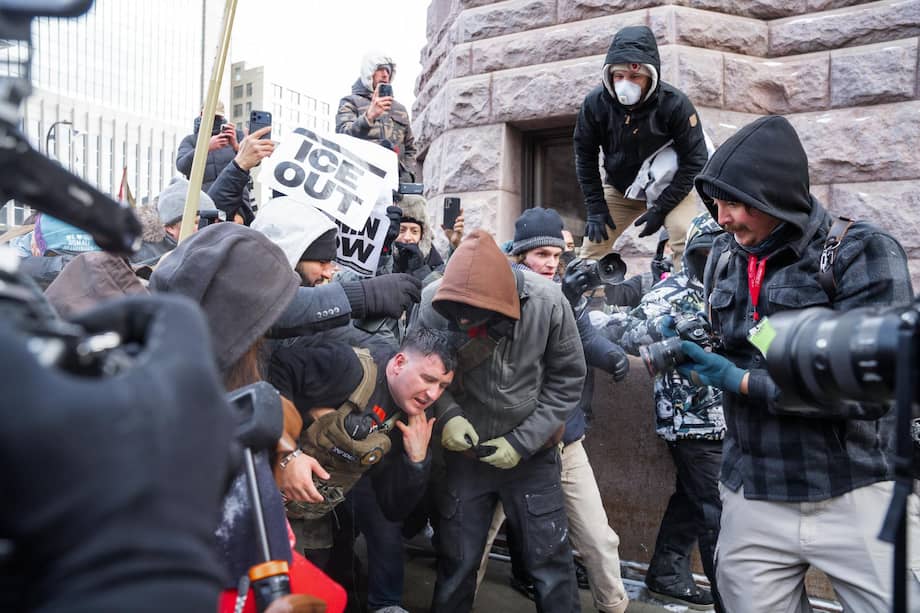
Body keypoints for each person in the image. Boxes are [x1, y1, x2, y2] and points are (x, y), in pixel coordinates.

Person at [683, 114, 918, 612]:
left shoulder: (863, 253)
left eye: (734, 202)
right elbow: (743, 341)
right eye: (716, 203)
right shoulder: (725, 258)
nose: (722, 218)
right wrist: (691, 348)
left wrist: (744, 381)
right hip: (753, 492)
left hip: (855, 489)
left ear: (777, 196)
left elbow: (869, 389)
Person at [416, 229, 587, 613]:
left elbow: (568, 379)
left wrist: (523, 441)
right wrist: (449, 416)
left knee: (551, 564)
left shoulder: (547, 301)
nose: (467, 323)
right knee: (457, 561)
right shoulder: (433, 302)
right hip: (465, 456)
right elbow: (416, 370)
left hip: (532, 456)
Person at [476, 208, 631, 613]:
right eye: (542, 254)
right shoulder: (501, 295)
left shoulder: (565, 295)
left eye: (557, 256)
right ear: (521, 256)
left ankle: (614, 606)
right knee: (474, 543)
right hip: (505, 437)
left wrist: (614, 355)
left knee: (600, 540)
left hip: (563, 439)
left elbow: (585, 340)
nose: (551, 264)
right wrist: (564, 296)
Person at [268, 327, 453, 613]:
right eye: (428, 379)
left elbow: (392, 510)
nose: (432, 394)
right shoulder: (349, 367)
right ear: (400, 363)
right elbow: (276, 366)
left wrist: (416, 462)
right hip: (260, 489)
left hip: (313, 510)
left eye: (442, 386)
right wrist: (287, 453)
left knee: (318, 582)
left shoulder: (411, 418)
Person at [601, 212, 726, 611]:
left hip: (730, 414)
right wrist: (673, 327)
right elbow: (622, 332)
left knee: (694, 497)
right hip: (690, 418)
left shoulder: (737, 289)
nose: (716, 260)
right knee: (716, 511)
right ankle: (733, 599)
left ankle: (667, 573)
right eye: (706, 252)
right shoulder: (670, 292)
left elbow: (765, 338)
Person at [573, 25, 708, 270]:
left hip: (671, 186)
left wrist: (662, 207)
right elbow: (585, 155)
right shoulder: (595, 104)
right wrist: (595, 207)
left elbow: (696, 160)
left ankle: (687, 299)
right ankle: (590, 301)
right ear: (609, 76)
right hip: (621, 188)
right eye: (619, 76)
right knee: (593, 245)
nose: (626, 84)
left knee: (685, 236)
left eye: (635, 77)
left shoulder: (675, 104)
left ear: (650, 76)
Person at [335, 51, 418, 183]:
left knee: (418, 203)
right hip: (360, 179)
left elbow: (410, 148)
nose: (385, 74)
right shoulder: (350, 102)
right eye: (380, 69)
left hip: (394, 183)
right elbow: (342, 136)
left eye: (388, 71)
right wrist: (369, 117)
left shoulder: (399, 109)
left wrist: (408, 174)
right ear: (368, 72)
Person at [175, 101, 248, 197]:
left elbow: (254, 161)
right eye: (210, 115)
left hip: (235, 199)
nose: (214, 120)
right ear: (202, 114)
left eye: (217, 117)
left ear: (222, 117)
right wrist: (205, 148)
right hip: (204, 200)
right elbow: (182, 166)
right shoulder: (191, 140)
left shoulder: (236, 135)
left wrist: (236, 145)